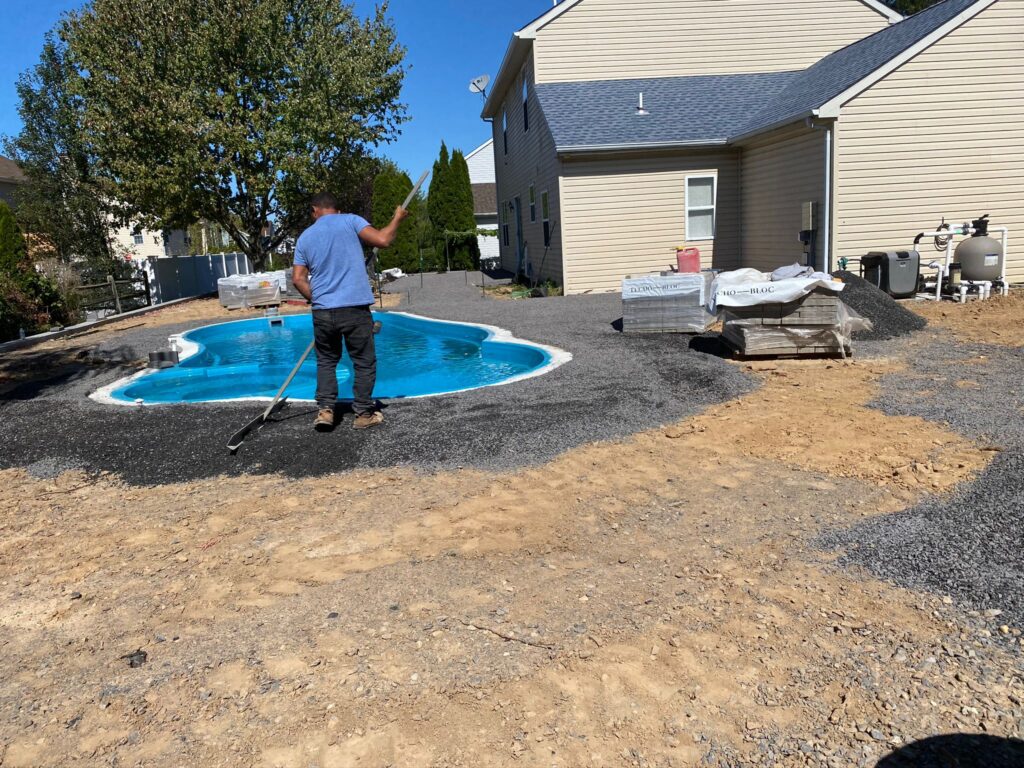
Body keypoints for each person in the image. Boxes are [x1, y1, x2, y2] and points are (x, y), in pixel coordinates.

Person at [292, 191, 408, 431]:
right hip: (354, 308)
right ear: (337, 209)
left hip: (323, 311)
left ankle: (325, 411)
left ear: (315, 211)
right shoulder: (351, 221)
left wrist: (318, 299)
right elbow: (383, 240)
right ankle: (363, 413)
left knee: (326, 361)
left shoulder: (305, 237)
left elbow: (298, 279)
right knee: (363, 361)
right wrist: (397, 218)